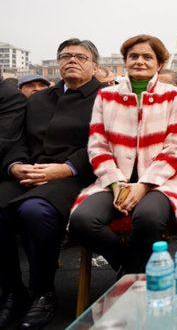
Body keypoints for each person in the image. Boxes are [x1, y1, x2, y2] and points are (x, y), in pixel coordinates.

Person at [69, 34, 177, 274]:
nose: (140, 61)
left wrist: (144, 185)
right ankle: (131, 269)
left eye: (148, 57)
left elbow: (176, 146)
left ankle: (129, 280)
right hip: (114, 181)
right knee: (82, 220)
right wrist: (116, 184)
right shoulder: (106, 96)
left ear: (159, 64)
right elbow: (97, 145)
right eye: (133, 56)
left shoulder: (175, 95)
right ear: (125, 60)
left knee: (148, 218)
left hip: (162, 182)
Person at [0, 39, 102, 329]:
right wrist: (15, 165)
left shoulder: (106, 97)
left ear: (95, 65)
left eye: (80, 57)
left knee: (34, 211)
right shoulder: (39, 99)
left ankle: (43, 291)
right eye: (65, 56)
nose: (72, 60)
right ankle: (11, 290)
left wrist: (66, 168)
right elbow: (19, 140)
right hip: (29, 171)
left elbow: (102, 144)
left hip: (74, 175)